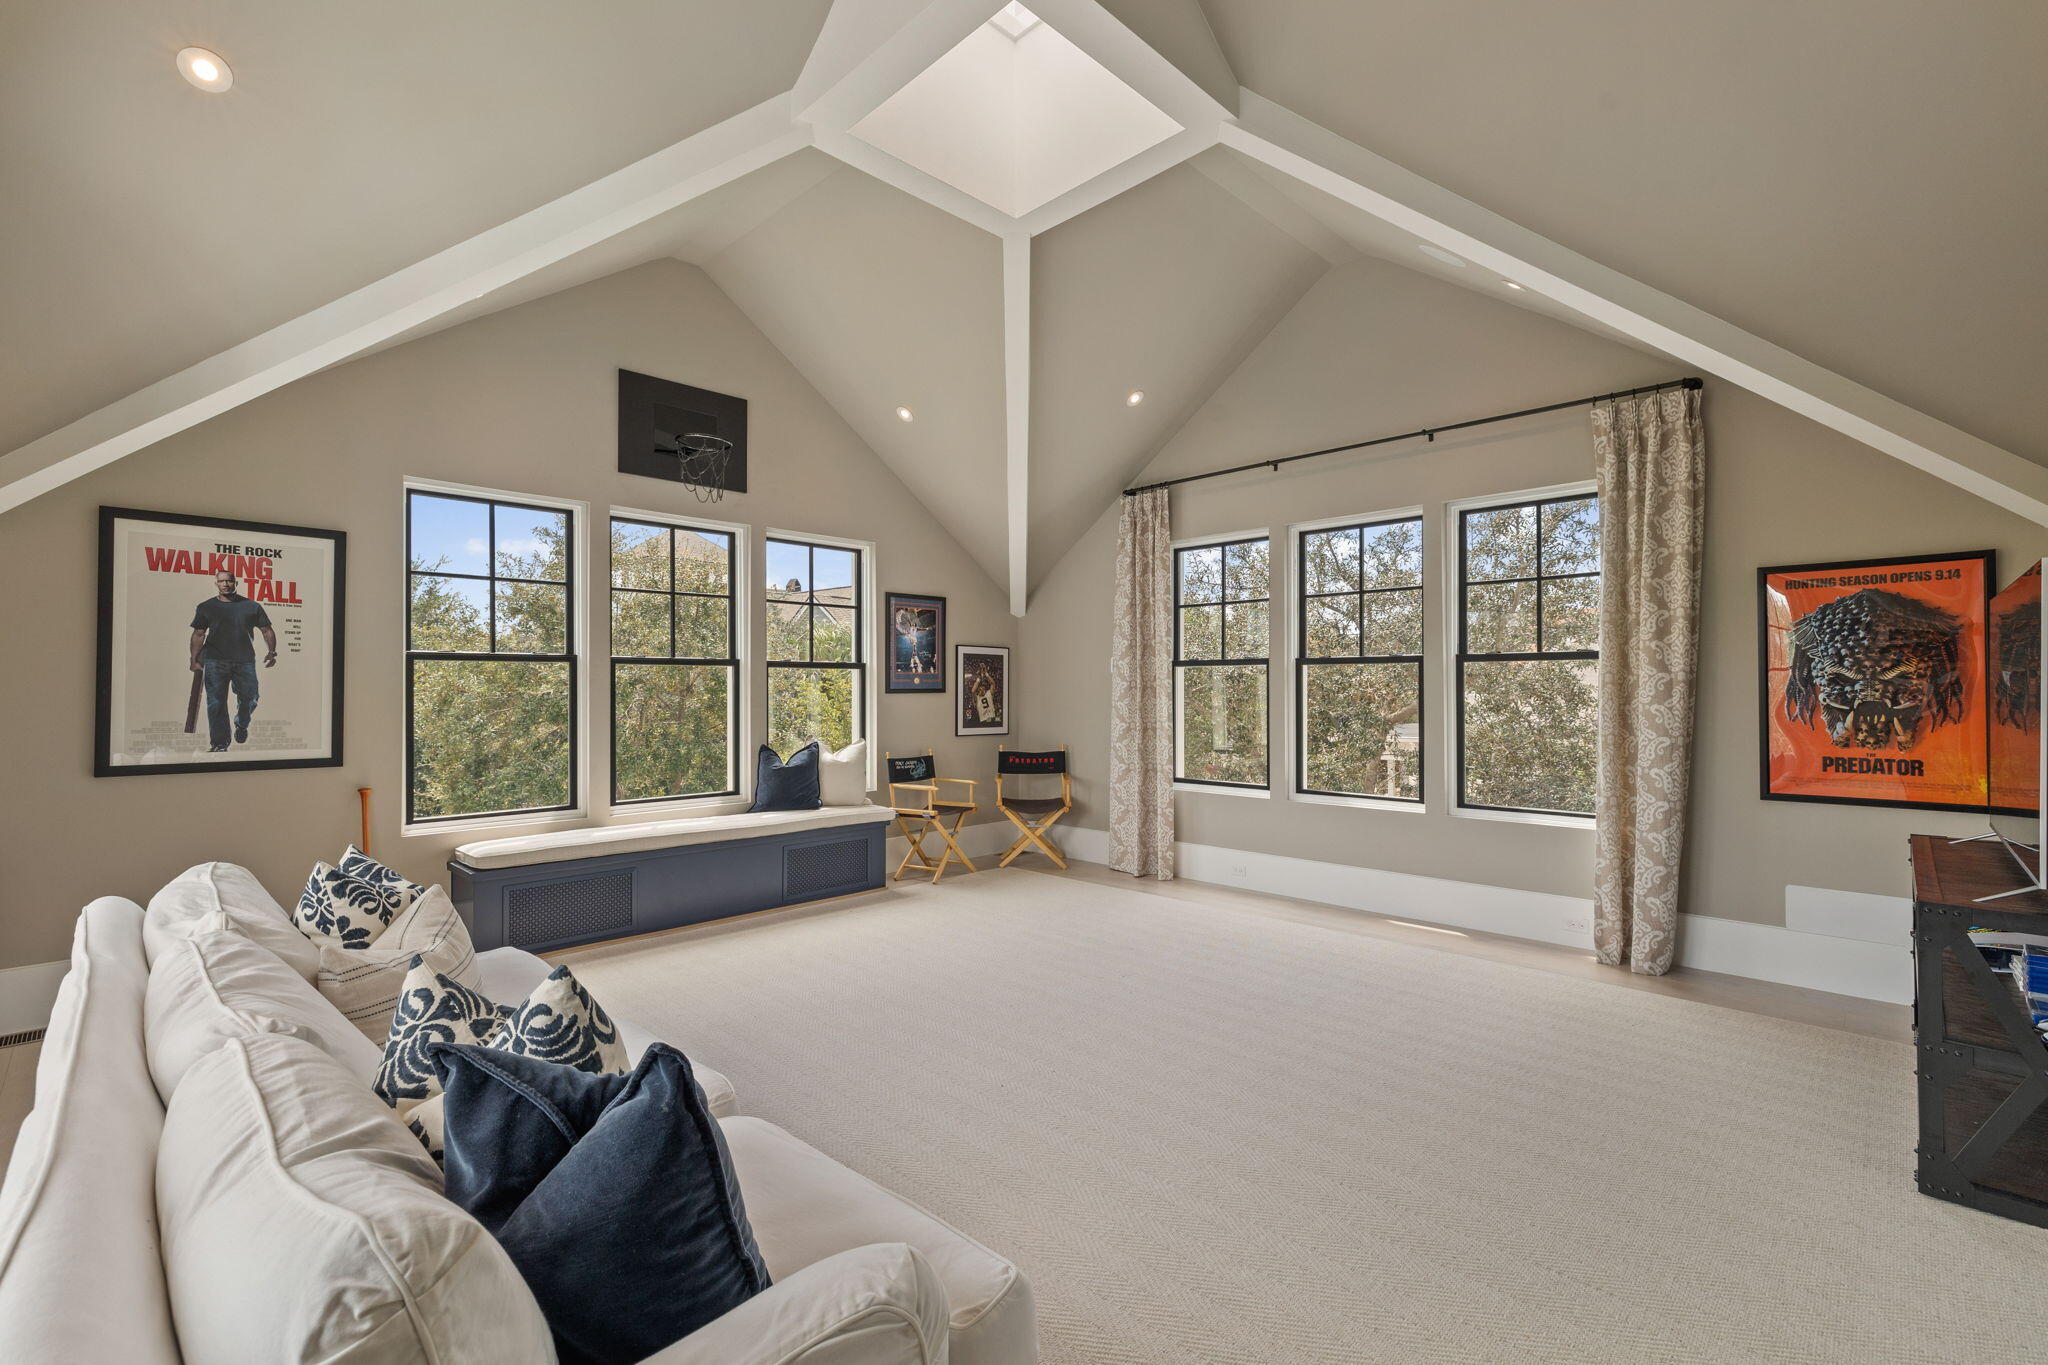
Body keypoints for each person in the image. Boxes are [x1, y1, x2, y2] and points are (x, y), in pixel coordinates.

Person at [189, 568, 276, 752]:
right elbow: (198, 634)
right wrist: (194, 659)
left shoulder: (252, 606)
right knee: (216, 703)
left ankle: (241, 723)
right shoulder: (206, 607)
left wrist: (272, 652)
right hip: (215, 661)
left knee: (250, 697)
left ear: (236, 583)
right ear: (216, 584)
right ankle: (220, 744)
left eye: (229, 581)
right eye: (221, 581)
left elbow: (266, 630)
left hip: (244, 661)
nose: (225, 584)